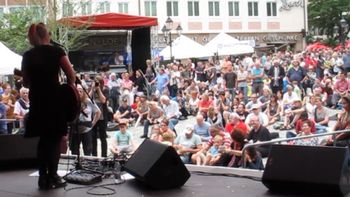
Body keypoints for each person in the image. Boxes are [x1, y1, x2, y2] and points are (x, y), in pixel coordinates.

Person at [21, 23, 76, 190]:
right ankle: (53, 175)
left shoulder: (28, 55)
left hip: (38, 101)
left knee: (44, 140)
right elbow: (71, 75)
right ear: (48, 35)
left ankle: (43, 177)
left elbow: (25, 83)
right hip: (55, 100)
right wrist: (68, 92)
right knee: (55, 138)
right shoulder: (57, 51)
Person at [70, 84, 101, 156]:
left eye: (81, 91)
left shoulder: (89, 101)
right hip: (75, 131)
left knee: (87, 152)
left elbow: (98, 112)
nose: (79, 93)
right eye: (77, 91)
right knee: (74, 152)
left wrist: (92, 124)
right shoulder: (71, 102)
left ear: (83, 92)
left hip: (86, 130)